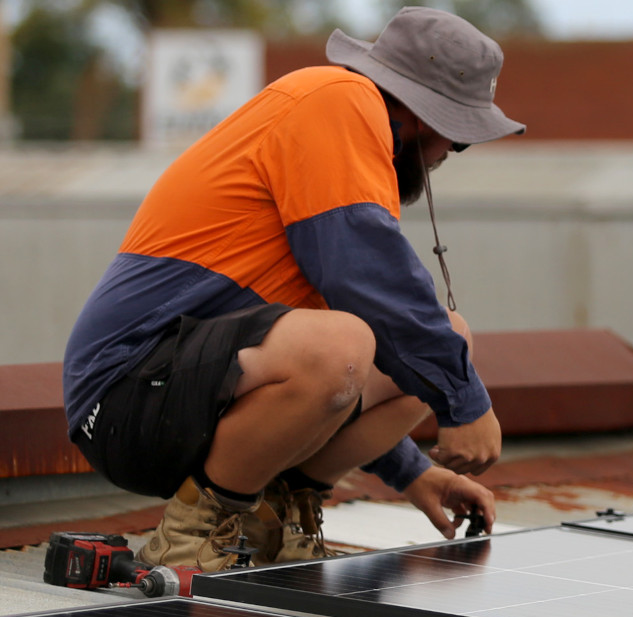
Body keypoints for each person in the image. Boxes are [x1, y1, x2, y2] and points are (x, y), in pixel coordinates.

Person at [61, 7, 520, 570]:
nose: (452, 153)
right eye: (461, 137)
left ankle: (275, 513)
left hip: (189, 393)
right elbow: (371, 279)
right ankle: (192, 532)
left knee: (445, 337)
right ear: (426, 113)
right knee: (351, 344)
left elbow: (356, 340)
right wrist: (465, 400)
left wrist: (414, 472)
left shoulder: (343, 144)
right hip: (122, 397)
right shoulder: (337, 100)